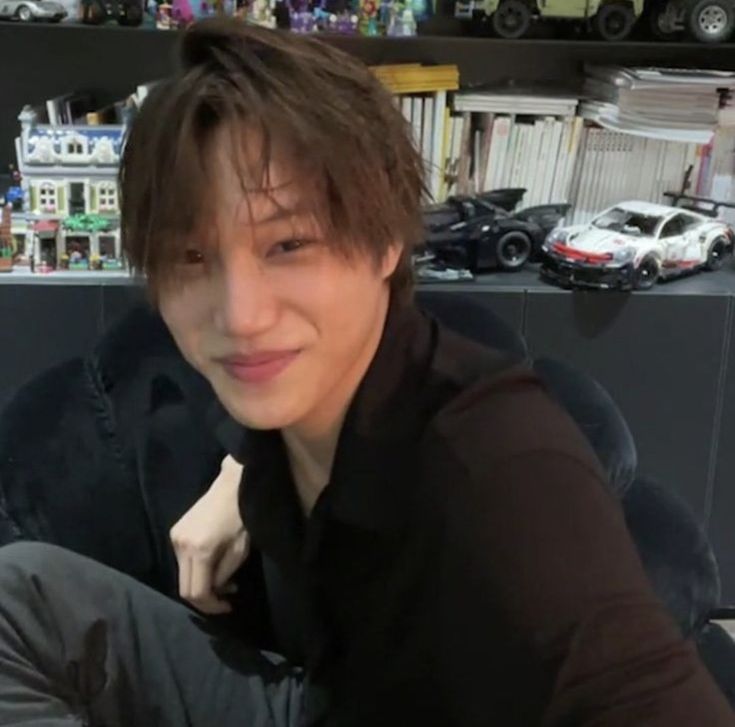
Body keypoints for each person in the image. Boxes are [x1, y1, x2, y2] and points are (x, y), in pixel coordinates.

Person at [0, 17, 732, 727]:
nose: (242, 314)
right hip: (328, 701)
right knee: (16, 593)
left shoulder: (499, 475)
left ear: (385, 243)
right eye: (192, 257)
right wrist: (241, 476)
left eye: (287, 245)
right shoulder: (290, 411)